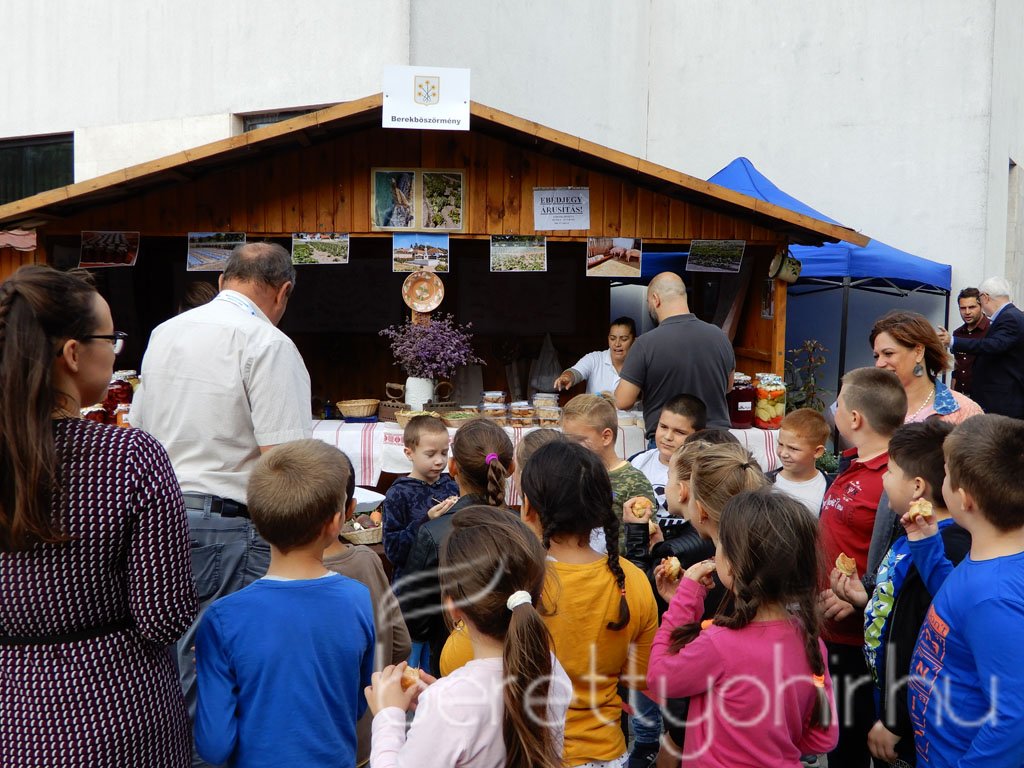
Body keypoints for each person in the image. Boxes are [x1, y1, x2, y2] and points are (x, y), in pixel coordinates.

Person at [0, 265, 198, 767]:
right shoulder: (129, 456)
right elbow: (164, 616)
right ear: (72, 353)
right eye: (111, 338)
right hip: (117, 713)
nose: (115, 350)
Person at [130, 241, 312, 717]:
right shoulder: (267, 342)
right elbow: (286, 463)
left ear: (222, 282)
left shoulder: (166, 333)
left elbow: (139, 430)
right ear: (283, 291)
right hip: (229, 527)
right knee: (221, 678)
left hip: (158, 517)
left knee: (169, 670)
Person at [194, 440, 375, 768]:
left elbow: (215, 745)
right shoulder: (357, 599)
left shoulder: (222, 620)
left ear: (257, 519)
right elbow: (357, 704)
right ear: (342, 519)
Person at [366, 507, 573, 768]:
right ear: (536, 595)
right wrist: (438, 701)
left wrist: (388, 717)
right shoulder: (550, 668)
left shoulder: (450, 704)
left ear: (452, 606)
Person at [647, 487, 838, 765]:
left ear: (734, 565)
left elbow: (660, 678)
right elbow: (823, 738)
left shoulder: (718, 644)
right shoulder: (810, 641)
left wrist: (684, 600)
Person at [830, 420, 970, 767]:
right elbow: (903, 608)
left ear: (917, 486)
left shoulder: (945, 548)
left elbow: (925, 640)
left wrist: (895, 721)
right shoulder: (912, 532)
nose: (883, 479)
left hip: (908, 717)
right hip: (885, 697)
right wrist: (866, 601)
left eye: (890, 471)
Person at [519, 441, 659, 768]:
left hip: (531, 752)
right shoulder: (631, 580)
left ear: (529, 508)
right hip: (606, 752)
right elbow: (640, 677)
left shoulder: (518, 581)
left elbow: (459, 662)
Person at [905, 415, 1024, 766]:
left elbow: (1014, 718)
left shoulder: (995, 599)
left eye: (945, 472)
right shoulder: (990, 556)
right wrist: (927, 546)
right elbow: (959, 607)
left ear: (964, 499)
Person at [817, 367, 906, 768]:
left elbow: (898, 561)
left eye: (839, 400)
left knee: (853, 744)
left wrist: (863, 597)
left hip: (859, 639)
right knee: (837, 736)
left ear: (854, 418)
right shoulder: (850, 462)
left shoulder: (893, 479)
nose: (833, 408)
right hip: (828, 626)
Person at [397, 418, 514, 675]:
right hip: (514, 653)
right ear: (511, 467)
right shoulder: (521, 529)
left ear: (452, 467)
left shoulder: (433, 533)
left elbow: (415, 612)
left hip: (448, 655)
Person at [323, 452, 411, 768]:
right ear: (349, 509)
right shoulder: (364, 561)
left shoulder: (265, 571)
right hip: (366, 735)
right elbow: (400, 641)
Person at [614, 272, 735, 436]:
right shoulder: (720, 336)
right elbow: (728, 387)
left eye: (648, 302)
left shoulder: (645, 344)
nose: (650, 306)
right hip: (716, 442)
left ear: (656, 299)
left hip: (671, 442)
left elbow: (623, 401)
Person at [561, 393, 657, 556]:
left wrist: (603, 550)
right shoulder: (572, 473)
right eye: (566, 440)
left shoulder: (633, 481)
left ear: (606, 436)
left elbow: (647, 535)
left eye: (579, 440)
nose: (570, 447)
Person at [382, 415, 459, 583]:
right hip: (413, 586)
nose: (439, 461)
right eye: (430, 454)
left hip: (446, 581)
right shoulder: (398, 494)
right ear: (409, 453)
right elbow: (393, 551)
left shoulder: (451, 486)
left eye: (444, 453)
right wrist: (426, 521)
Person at [871, 310, 982, 425]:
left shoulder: (964, 412)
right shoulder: (869, 409)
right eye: (876, 356)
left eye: (888, 353)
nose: (879, 363)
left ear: (918, 352)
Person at [938, 276, 1024, 418]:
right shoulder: (1012, 316)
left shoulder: (1010, 318)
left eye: (974, 304)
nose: (967, 312)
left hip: (1003, 402)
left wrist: (953, 341)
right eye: (962, 308)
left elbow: (994, 345)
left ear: (984, 297)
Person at [629, 394, 707, 513]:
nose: (668, 437)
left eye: (679, 432)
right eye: (663, 427)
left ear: (698, 435)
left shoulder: (704, 473)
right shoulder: (637, 462)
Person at [767, 407, 833, 516]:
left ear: (817, 451)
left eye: (793, 449)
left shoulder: (832, 491)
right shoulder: (763, 482)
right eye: (780, 444)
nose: (783, 453)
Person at [553, 316, 637, 395]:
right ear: (608, 339)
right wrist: (567, 377)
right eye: (612, 338)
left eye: (624, 339)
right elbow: (576, 372)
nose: (617, 344)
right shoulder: (595, 358)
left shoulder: (640, 364)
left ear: (634, 341)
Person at [950, 286, 989, 397]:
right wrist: (953, 395)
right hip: (961, 396)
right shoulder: (957, 333)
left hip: (984, 398)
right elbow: (957, 366)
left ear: (981, 306)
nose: (967, 312)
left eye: (972, 307)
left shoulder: (992, 330)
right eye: (963, 308)